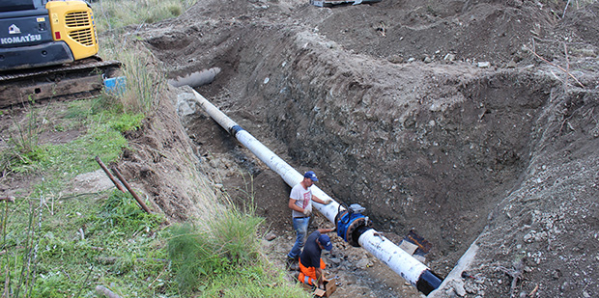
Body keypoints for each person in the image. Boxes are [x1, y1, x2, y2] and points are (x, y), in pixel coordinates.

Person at [286, 171, 331, 269]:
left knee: (301, 239)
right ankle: (290, 258)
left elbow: (312, 197)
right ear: (306, 179)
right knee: (301, 241)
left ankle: (296, 255)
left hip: (305, 218)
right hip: (299, 219)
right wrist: (303, 211)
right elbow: (291, 204)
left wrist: (323, 202)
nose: (312, 183)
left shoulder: (307, 188)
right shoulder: (297, 189)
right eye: (311, 181)